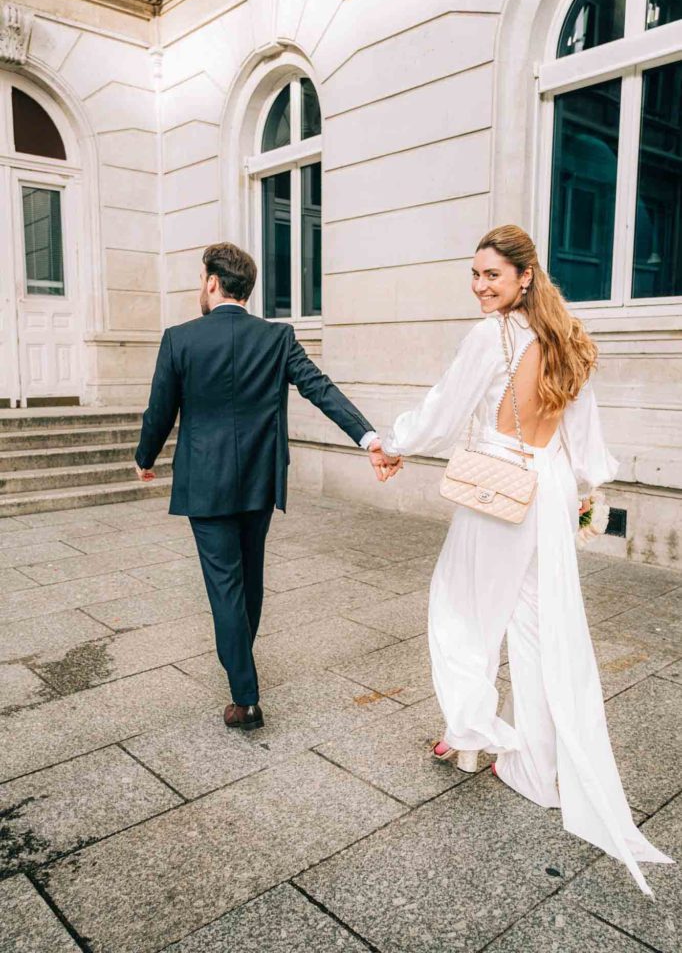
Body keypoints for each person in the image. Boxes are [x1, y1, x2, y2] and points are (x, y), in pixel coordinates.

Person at [374, 224, 673, 897]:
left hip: (499, 488)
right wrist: (587, 495)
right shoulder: (568, 338)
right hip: (551, 486)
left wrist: (394, 443)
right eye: (475, 274)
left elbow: (443, 409)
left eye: (492, 275)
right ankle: (535, 768)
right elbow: (584, 439)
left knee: (461, 608)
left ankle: (473, 730)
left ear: (524, 278)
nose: (481, 286)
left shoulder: (495, 335)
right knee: (538, 631)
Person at [134, 242, 399, 732]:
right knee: (248, 576)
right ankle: (242, 663)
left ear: (212, 281)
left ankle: (245, 696)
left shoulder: (179, 339)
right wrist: (369, 437)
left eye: (200, 279)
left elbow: (161, 410)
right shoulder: (277, 338)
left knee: (224, 584)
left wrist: (144, 458)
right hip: (259, 479)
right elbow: (320, 388)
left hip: (205, 482)